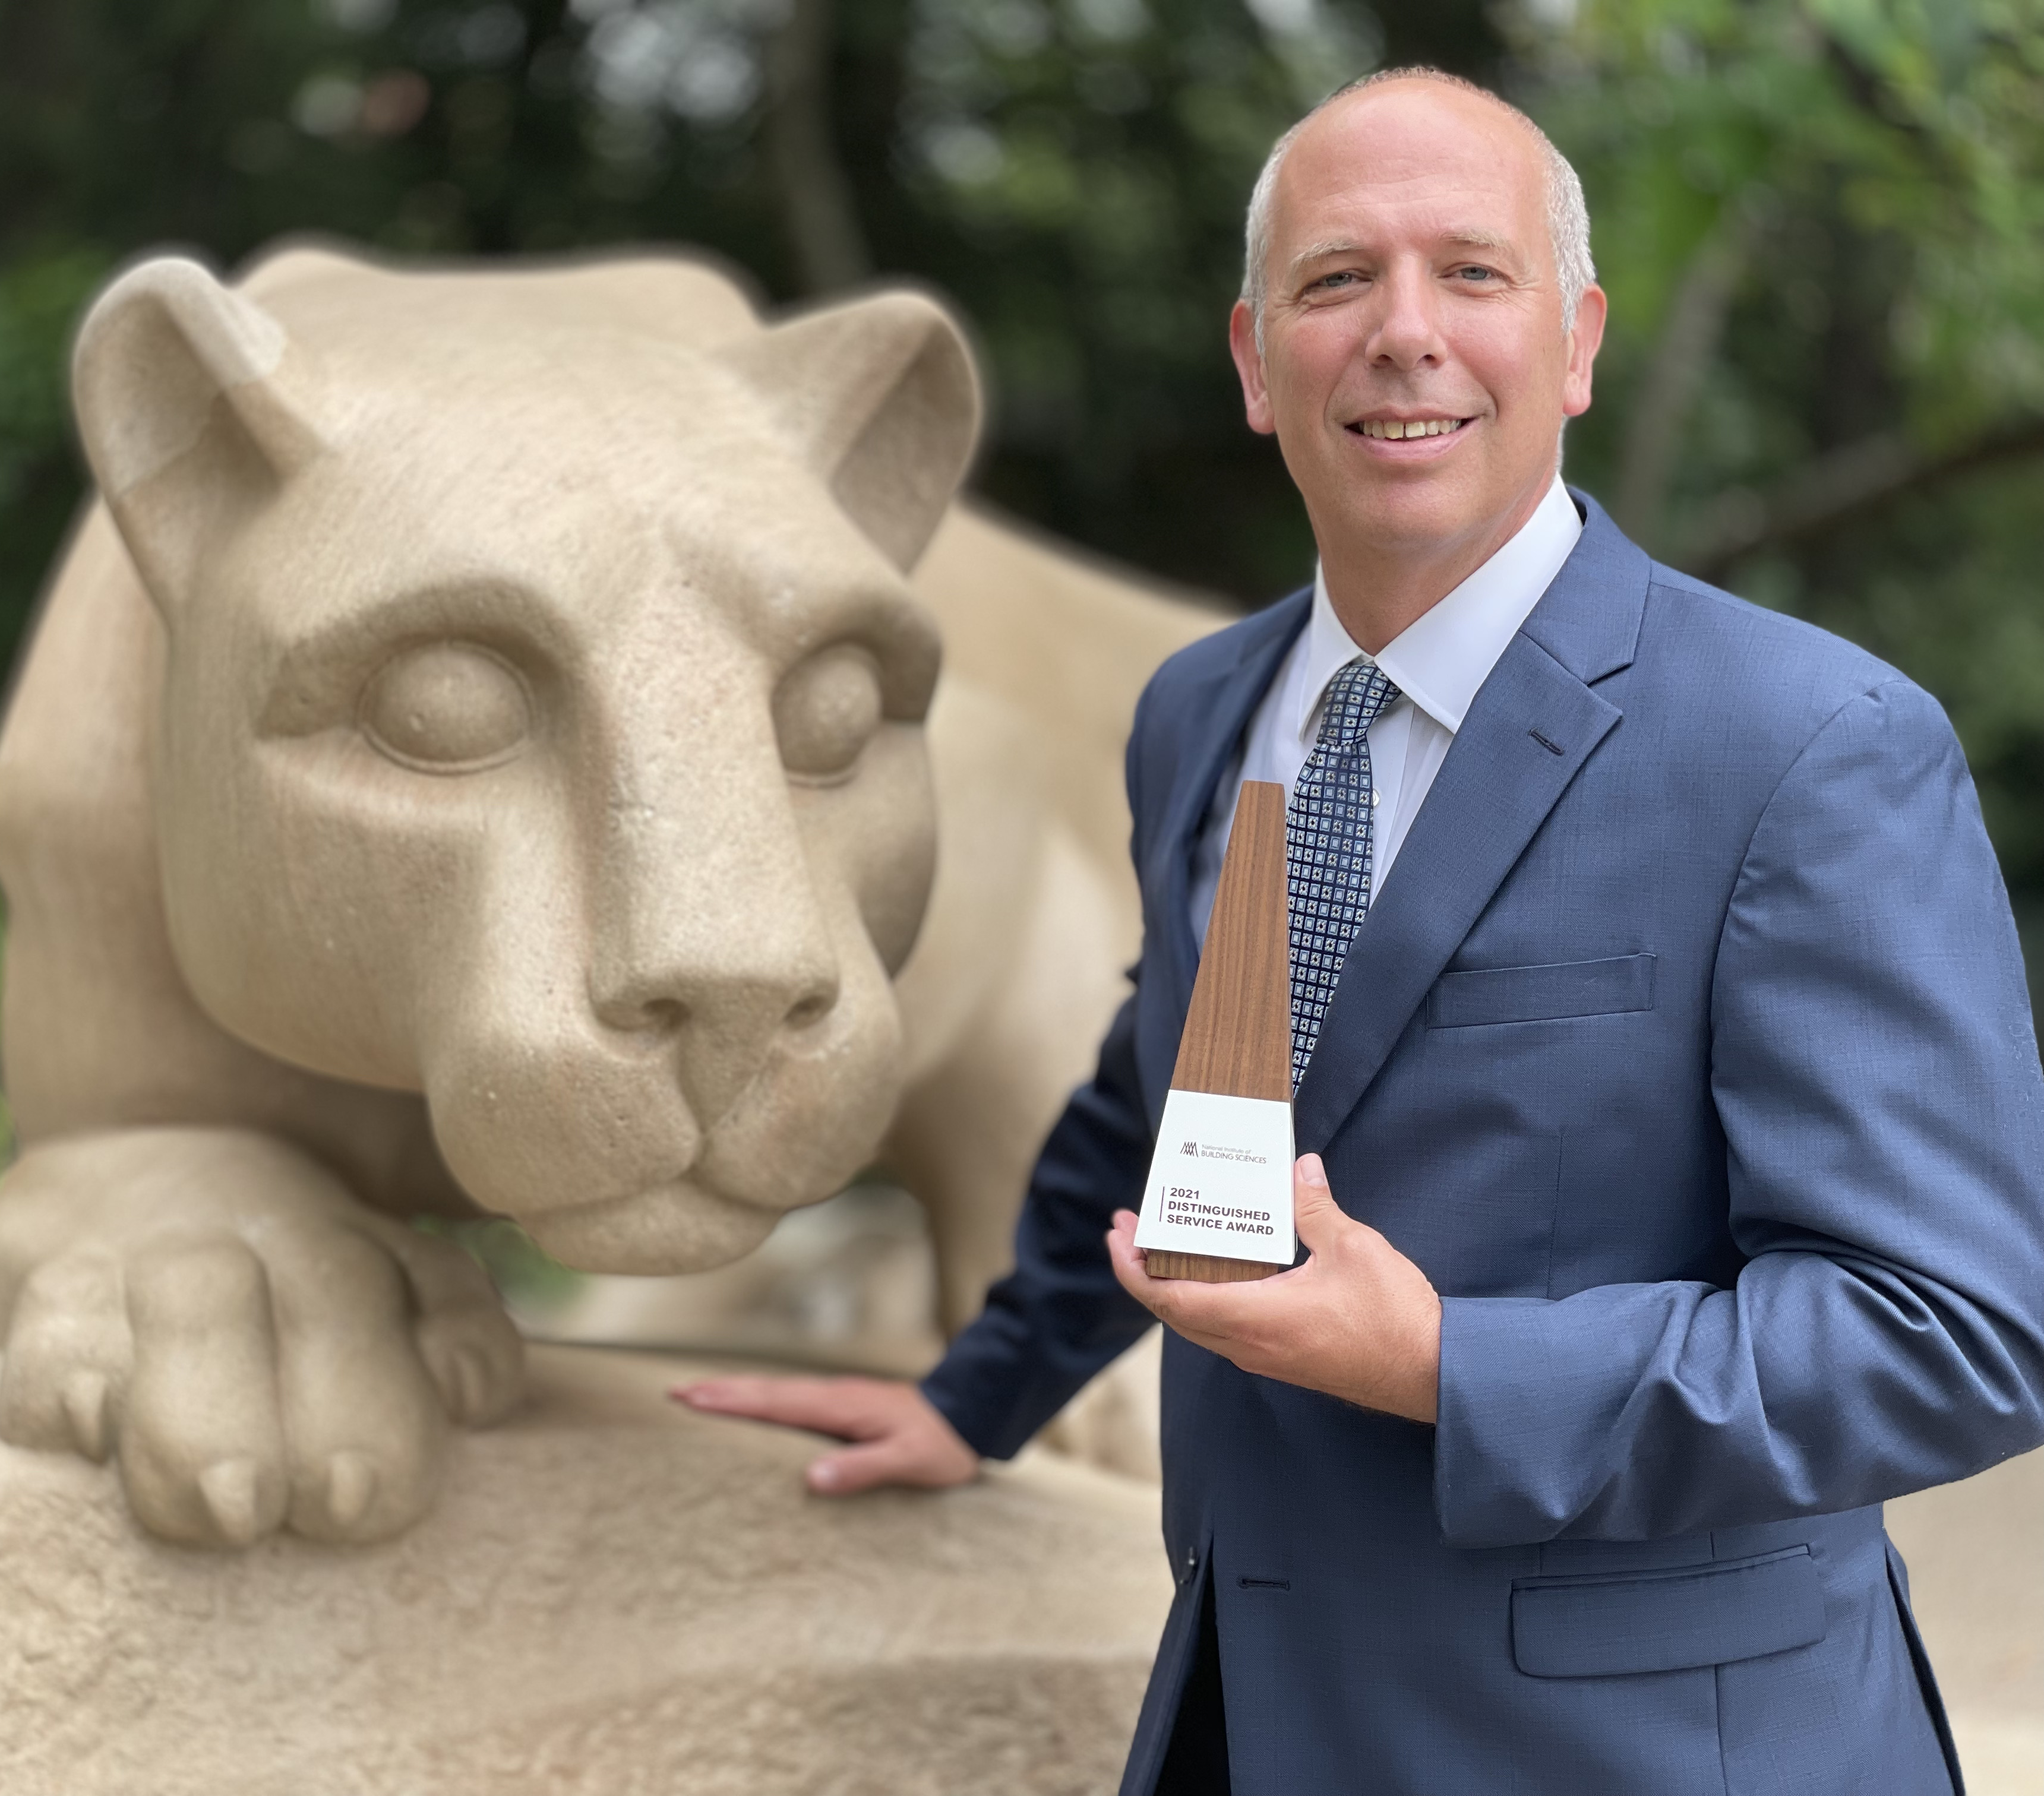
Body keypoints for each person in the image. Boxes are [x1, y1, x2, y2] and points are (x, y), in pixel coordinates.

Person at [676, 67, 2044, 1794]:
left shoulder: (1809, 747)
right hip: (1251, 1721)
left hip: (1650, 1752)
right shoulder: (1203, 710)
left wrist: (1449, 1365)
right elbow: (1178, 1087)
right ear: (1258, 362)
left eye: (1473, 273)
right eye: (1337, 281)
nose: (1404, 332)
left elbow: (1955, 1335)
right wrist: (980, 1393)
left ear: (1580, 342)